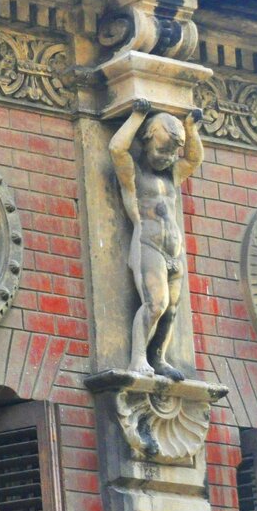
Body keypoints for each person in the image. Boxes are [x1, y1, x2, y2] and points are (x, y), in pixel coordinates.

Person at [109, 98, 204, 380]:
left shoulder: (172, 175)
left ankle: (159, 358)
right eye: (162, 150)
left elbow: (193, 159)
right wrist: (137, 116)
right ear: (146, 141)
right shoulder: (134, 175)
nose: (168, 157)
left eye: (173, 152)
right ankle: (138, 357)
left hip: (174, 252)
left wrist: (191, 130)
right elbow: (117, 149)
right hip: (148, 246)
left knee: (171, 310)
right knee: (156, 304)